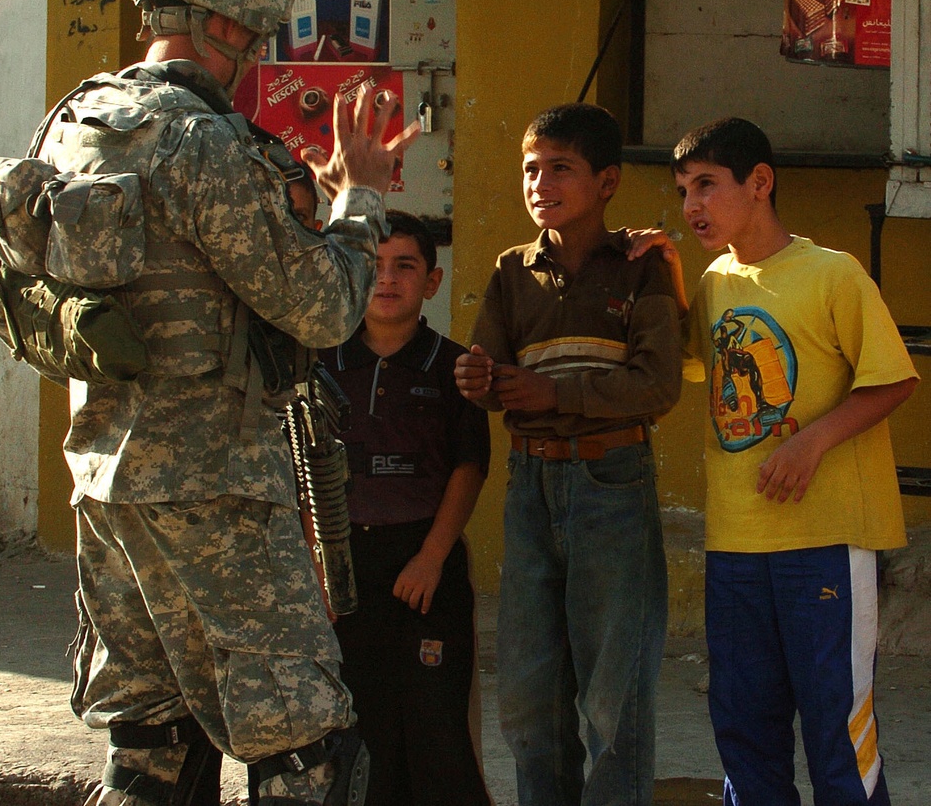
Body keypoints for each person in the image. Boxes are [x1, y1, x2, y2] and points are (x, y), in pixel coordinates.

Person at [49, 0, 418, 806]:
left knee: (151, 747)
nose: (253, 52)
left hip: (106, 485)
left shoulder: (73, 124)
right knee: (307, 752)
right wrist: (358, 199)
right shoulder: (203, 142)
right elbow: (327, 308)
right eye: (252, 33)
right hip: (217, 488)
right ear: (221, 23)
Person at [631, 116, 919, 806]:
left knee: (835, 727)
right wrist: (671, 274)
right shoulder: (718, 279)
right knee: (743, 725)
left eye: (707, 184)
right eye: (681, 191)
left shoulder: (832, 273)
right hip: (735, 541)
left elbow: (893, 378)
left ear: (760, 182)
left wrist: (811, 440)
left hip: (823, 541)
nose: (692, 204)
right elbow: (696, 361)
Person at [454, 103, 683, 806]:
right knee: (528, 692)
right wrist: (479, 380)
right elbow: (496, 379)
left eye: (560, 168)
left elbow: (656, 385)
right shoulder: (511, 271)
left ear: (608, 180)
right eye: (530, 168)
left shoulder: (641, 267)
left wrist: (548, 393)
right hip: (530, 486)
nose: (539, 182)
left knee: (613, 693)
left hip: (611, 481)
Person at [317, 210, 492, 806]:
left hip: (424, 565)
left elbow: (469, 467)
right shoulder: (318, 364)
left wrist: (431, 557)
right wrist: (316, 565)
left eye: (405, 266)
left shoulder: (454, 368)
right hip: (340, 566)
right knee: (357, 725)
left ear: (432, 282)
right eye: (372, 265)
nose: (386, 279)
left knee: (437, 728)